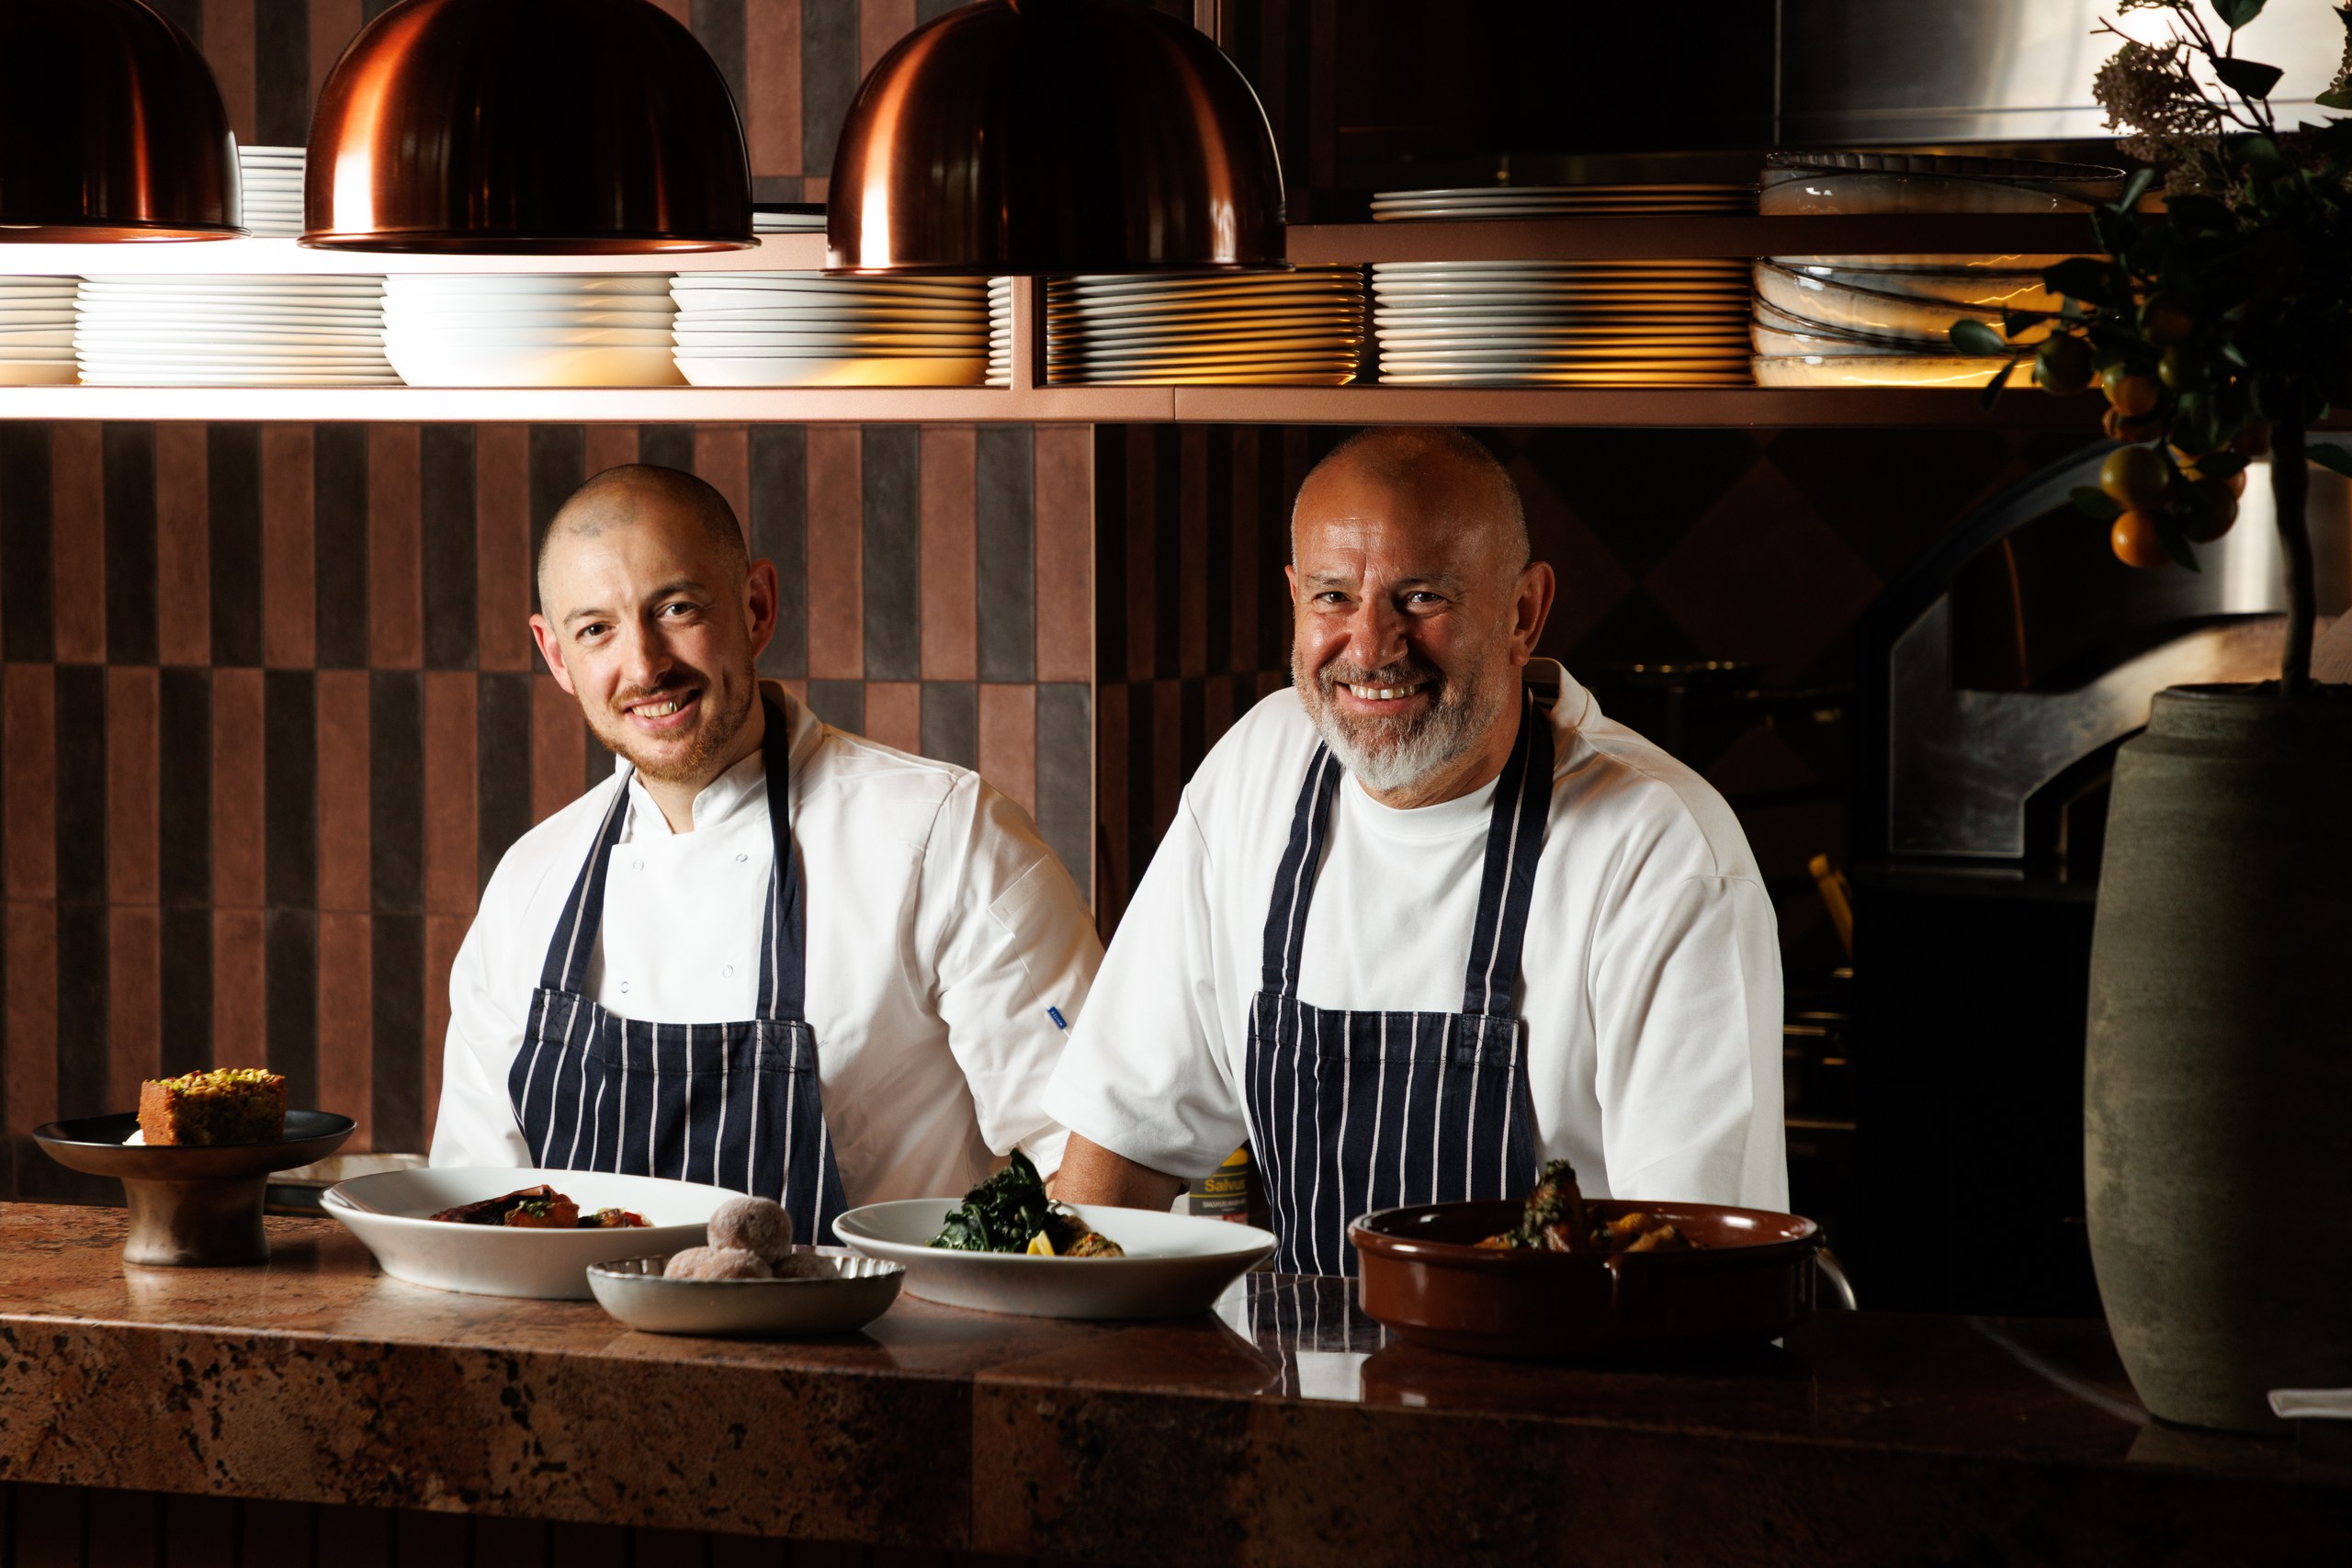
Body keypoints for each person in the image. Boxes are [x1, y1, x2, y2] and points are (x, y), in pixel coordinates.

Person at [1046, 427, 1785, 1275]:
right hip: (1294, 1391)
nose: (1370, 647)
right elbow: (1116, 1158)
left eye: (1421, 598)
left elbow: (1695, 1275)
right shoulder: (1256, 773)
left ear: (1522, 613)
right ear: (1292, 596)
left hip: (1552, 1392)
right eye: (1332, 596)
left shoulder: (1660, 850)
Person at [431, 465, 1099, 1239]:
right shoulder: (530, 884)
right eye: (597, 630)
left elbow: (1082, 1161)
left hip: (882, 1351)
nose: (644, 665)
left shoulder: (944, 835)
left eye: (676, 608)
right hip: (581, 1353)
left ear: (756, 607)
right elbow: (477, 1211)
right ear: (555, 655)